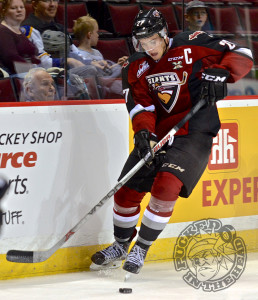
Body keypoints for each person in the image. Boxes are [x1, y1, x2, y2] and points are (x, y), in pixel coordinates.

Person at [90, 9, 253, 274]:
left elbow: (242, 54)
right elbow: (141, 106)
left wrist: (223, 73)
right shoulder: (135, 65)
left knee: (166, 185)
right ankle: (121, 245)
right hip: (159, 134)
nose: (148, 48)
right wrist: (143, 133)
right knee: (125, 192)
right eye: (142, 43)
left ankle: (141, 247)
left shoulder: (192, 43)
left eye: (152, 41)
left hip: (194, 131)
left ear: (164, 35)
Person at [0, 0, 40, 75]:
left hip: (25, 73)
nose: (19, 10)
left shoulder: (18, 30)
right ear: (4, 11)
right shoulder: (2, 31)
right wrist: (34, 70)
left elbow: (33, 54)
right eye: (13, 8)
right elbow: (11, 59)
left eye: (22, 7)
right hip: (14, 77)